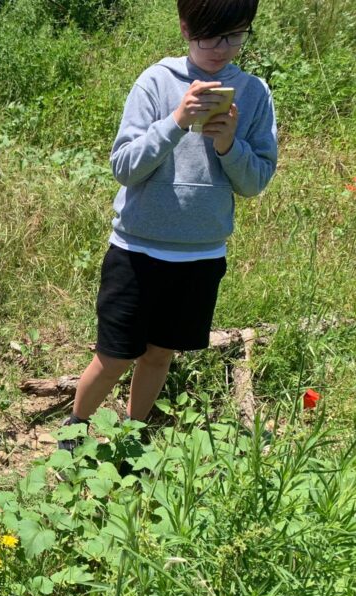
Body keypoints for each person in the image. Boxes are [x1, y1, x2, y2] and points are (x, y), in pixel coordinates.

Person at [58, 0, 277, 450]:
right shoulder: (156, 81)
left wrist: (228, 143)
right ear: (185, 28)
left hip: (202, 254)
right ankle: (74, 429)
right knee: (114, 356)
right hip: (136, 249)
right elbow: (124, 167)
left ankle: (131, 436)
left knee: (159, 354)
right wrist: (177, 120)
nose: (221, 48)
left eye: (235, 35)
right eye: (209, 36)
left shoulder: (254, 93)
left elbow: (255, 182)